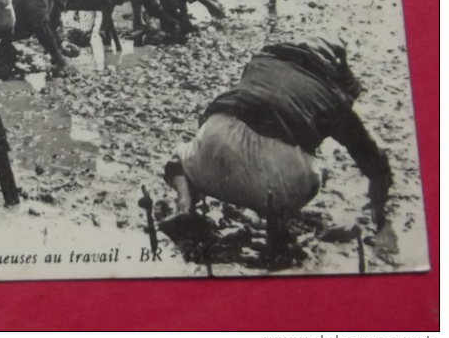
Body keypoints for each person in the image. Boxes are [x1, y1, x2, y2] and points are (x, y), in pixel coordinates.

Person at [160, 36, 392, 240]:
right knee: (313, 175)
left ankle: (184, 204)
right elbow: (371, 156)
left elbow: (237, 103)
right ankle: (277, 222)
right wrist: (379, 207)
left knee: (180, 159)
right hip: (274, 181)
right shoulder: (330, 96)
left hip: (212, 147)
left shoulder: (261, 63)